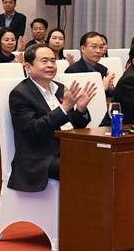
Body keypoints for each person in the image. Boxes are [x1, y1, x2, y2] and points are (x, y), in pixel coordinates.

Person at [7, 44, 95, 192]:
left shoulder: (60, 88)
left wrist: (80, 109)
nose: (50, 65)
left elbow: (74, 126)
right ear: (28, 67)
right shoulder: (20, 94)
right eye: (44, 61)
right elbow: (33, 130)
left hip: (65, 149)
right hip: (39, 158)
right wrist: (64, 108)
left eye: (53, 61)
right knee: (81, 166)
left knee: (103, 158)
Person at [65, 31, 116, 97]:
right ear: (83, 49)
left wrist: (110, 87)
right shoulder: (72, 71)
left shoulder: (103, 69)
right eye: (94, 47)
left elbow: (109, 95)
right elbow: (75, 99)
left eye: (101, 47)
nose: (98, 51)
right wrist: (102, 88)